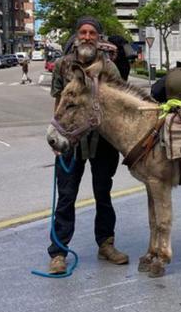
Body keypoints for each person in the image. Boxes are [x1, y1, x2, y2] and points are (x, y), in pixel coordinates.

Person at [47, 17, 129, 275]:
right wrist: (58, 136)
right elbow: (59, 102)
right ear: (77, 35)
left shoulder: (109, 69)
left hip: (103, 142)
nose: (86, 36)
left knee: (103, 195)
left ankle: (106, 244)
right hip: (71, 142)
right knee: (66, 197)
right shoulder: (62, 66)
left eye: (92, 32)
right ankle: (58, 252)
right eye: (82, 32)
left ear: (99, 38)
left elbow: (118, 106)